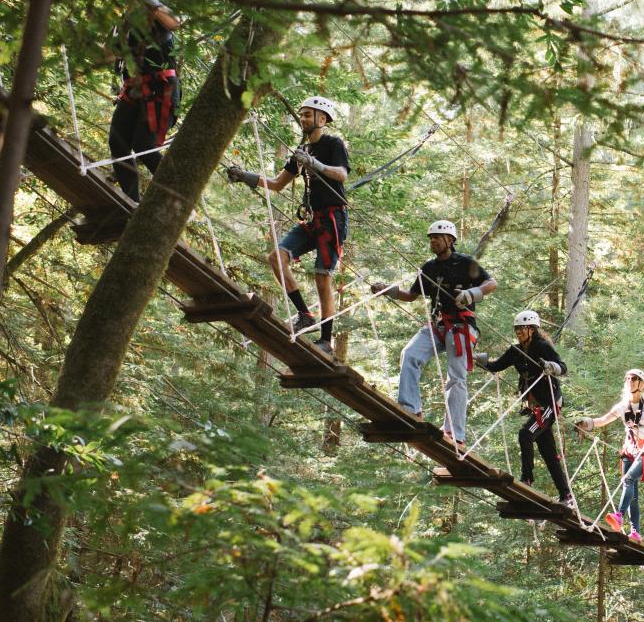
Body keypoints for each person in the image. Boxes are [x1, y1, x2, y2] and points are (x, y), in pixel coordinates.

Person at [225, 97, 349, 355]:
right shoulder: (301, 150)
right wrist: (245, 176)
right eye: (301, 115)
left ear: (322, 119)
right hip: (312, 219)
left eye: (307, 115)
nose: (302, 119)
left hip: (333, 218)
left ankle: (326, 340)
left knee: (322, 276)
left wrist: (315, 164)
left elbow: (342, 174)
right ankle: (305, 314)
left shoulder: (332, 144)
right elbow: (277, 183)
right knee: (276, 257)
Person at [370, 220, 497, 449]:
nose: (433, 241)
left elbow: (491, 283)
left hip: (460, 326)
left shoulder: (466, 263)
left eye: (437, 237)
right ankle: (410, 410)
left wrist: (472, 293)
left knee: (456, 378)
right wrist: (389, 291)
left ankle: (454, 434)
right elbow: (411, 295)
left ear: (450, 240)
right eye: (431, 238)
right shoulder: (428, 268)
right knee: (410, 354)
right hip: (437, 326)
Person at [474, 310, 574, 508]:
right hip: (536, 405)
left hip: (550, 403)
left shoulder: (542, 346)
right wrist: (478, 359)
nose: (519, 332)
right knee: (547, 452)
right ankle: (566, 496)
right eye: (517, 328)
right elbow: (496, 366)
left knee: (525, 434)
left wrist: (550, 366)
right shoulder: (515, 351)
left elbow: (563, 367)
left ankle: (526, 479)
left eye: (522, 328)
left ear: (532, 329)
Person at [107, 0, 182, 202]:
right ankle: (131, 201)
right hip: (134, 92)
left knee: (144, 146)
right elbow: (109, 54)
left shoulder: (156, 15)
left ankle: (176, 195)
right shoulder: (123, 24)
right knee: (117, 142)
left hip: (161, 91)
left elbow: (176, 23)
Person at [577, 368, 644, 542]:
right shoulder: (622, 405)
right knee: (633, 493)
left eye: (633, 378)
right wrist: (586, 423)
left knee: (628, 479)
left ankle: (619, 514)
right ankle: (635, 532)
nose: (629, 381)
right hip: (629, 451)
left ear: (641, 383)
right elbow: (603, 420)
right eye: (627, 378)